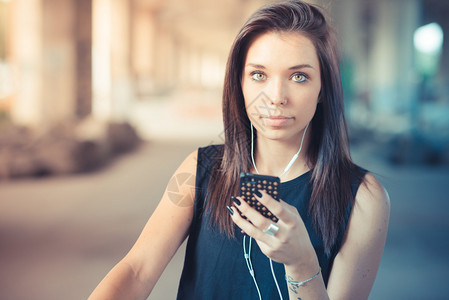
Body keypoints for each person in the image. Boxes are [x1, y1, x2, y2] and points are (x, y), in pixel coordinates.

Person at [89, 1, 390, 299]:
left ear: (323, 87)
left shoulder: (364, 199)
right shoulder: (199, 170)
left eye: (299, 76)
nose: (276, 97)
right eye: (259, 75)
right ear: (240, 83)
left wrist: (302, 265)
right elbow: (137, 270)